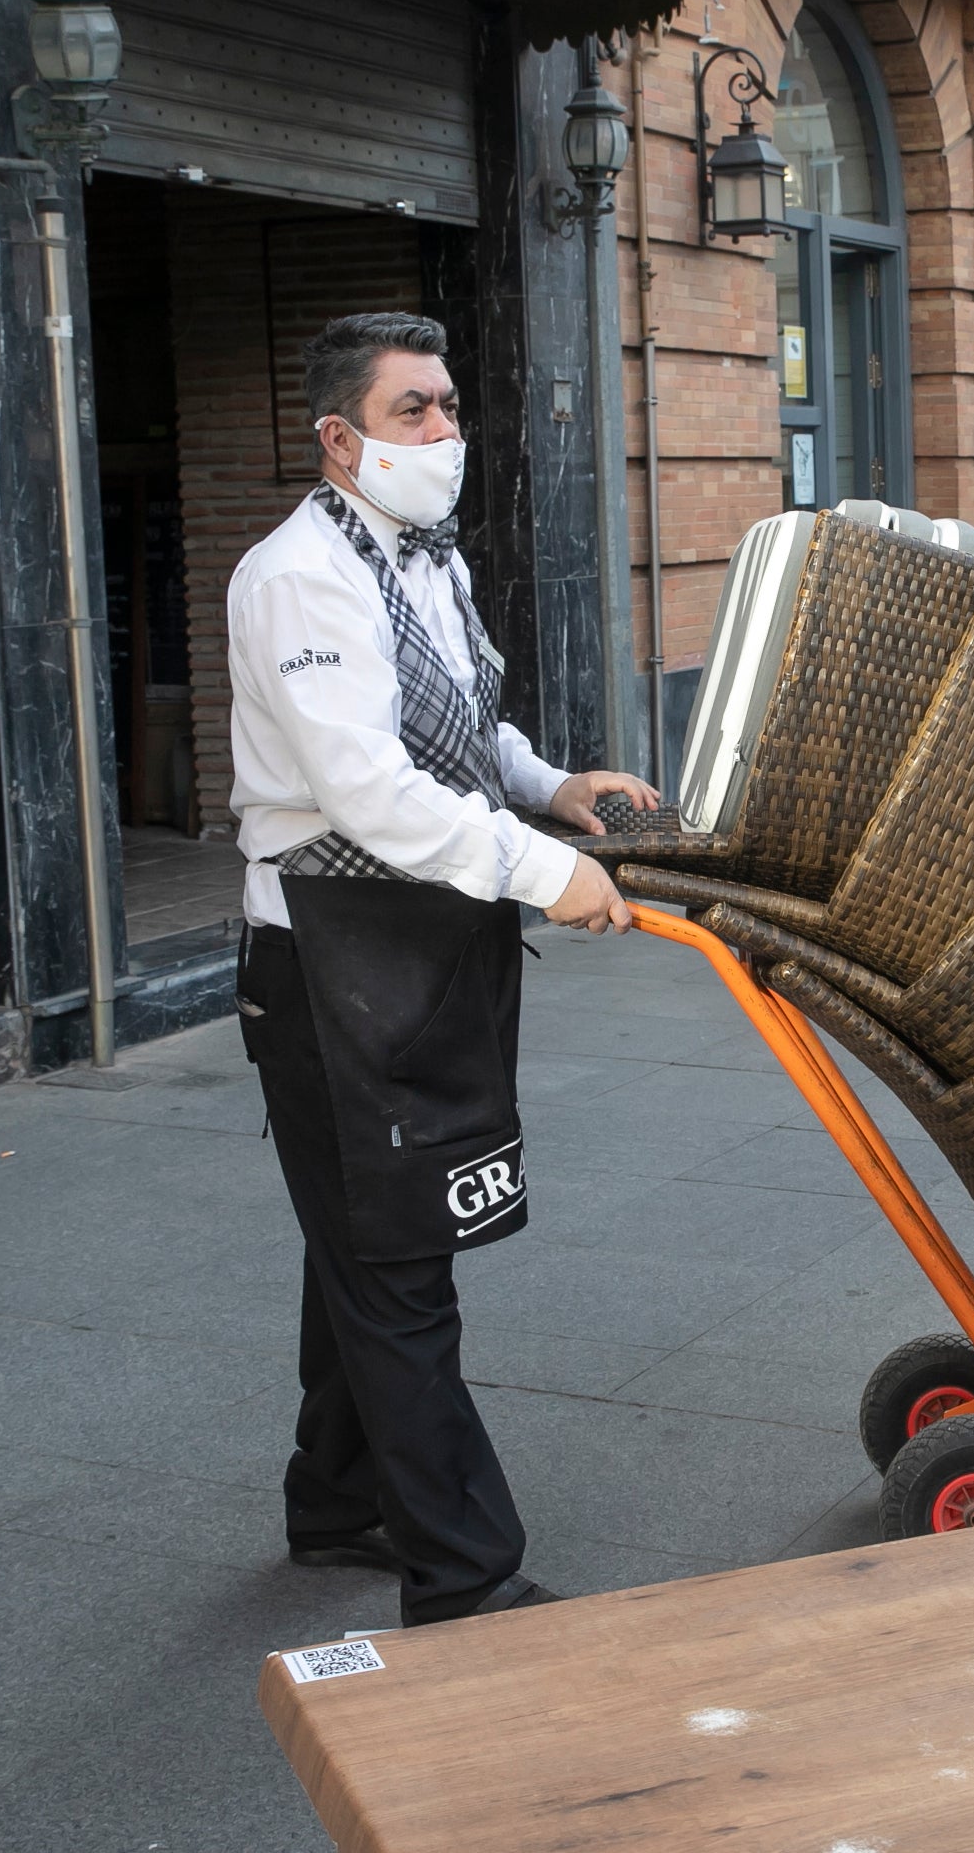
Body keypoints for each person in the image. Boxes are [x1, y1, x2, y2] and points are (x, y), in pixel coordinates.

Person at [229, 311, 658, 1623]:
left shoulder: (421, 561)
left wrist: (552, 785)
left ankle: (337, 1499)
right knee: (397, 1267)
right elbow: (367, 791)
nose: (446, 434)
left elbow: (465, 726)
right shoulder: (299, 577)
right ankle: (464, 1577)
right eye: (415, 410)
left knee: (363, 1239)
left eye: (452, 407)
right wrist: (546, 871)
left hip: (421, 943)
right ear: (338, 437)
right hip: (330, 962)